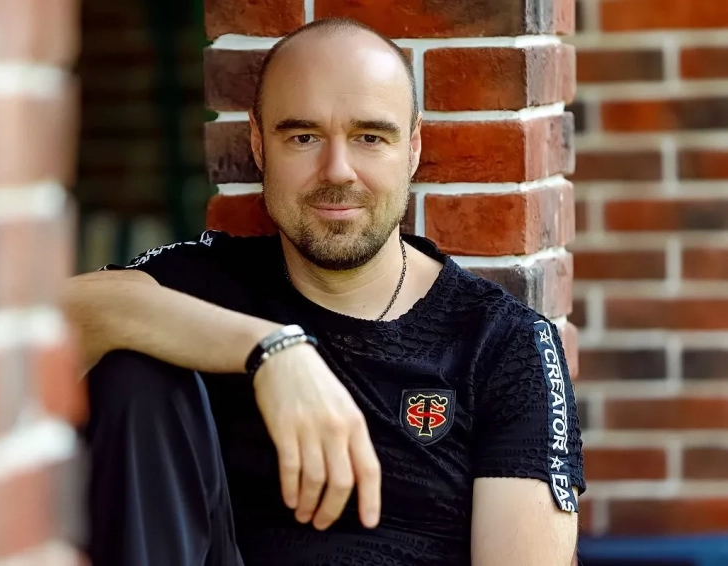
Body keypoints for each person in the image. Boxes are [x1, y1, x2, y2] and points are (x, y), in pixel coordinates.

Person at [65, 17, 586, 566]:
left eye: (369, 138)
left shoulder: (501, 344)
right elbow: (34, 320)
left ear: (412, 148)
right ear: (258, 145)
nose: (337, 171)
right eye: (304, 137)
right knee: (137, 366)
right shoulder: (207, 282)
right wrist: (271, 352)